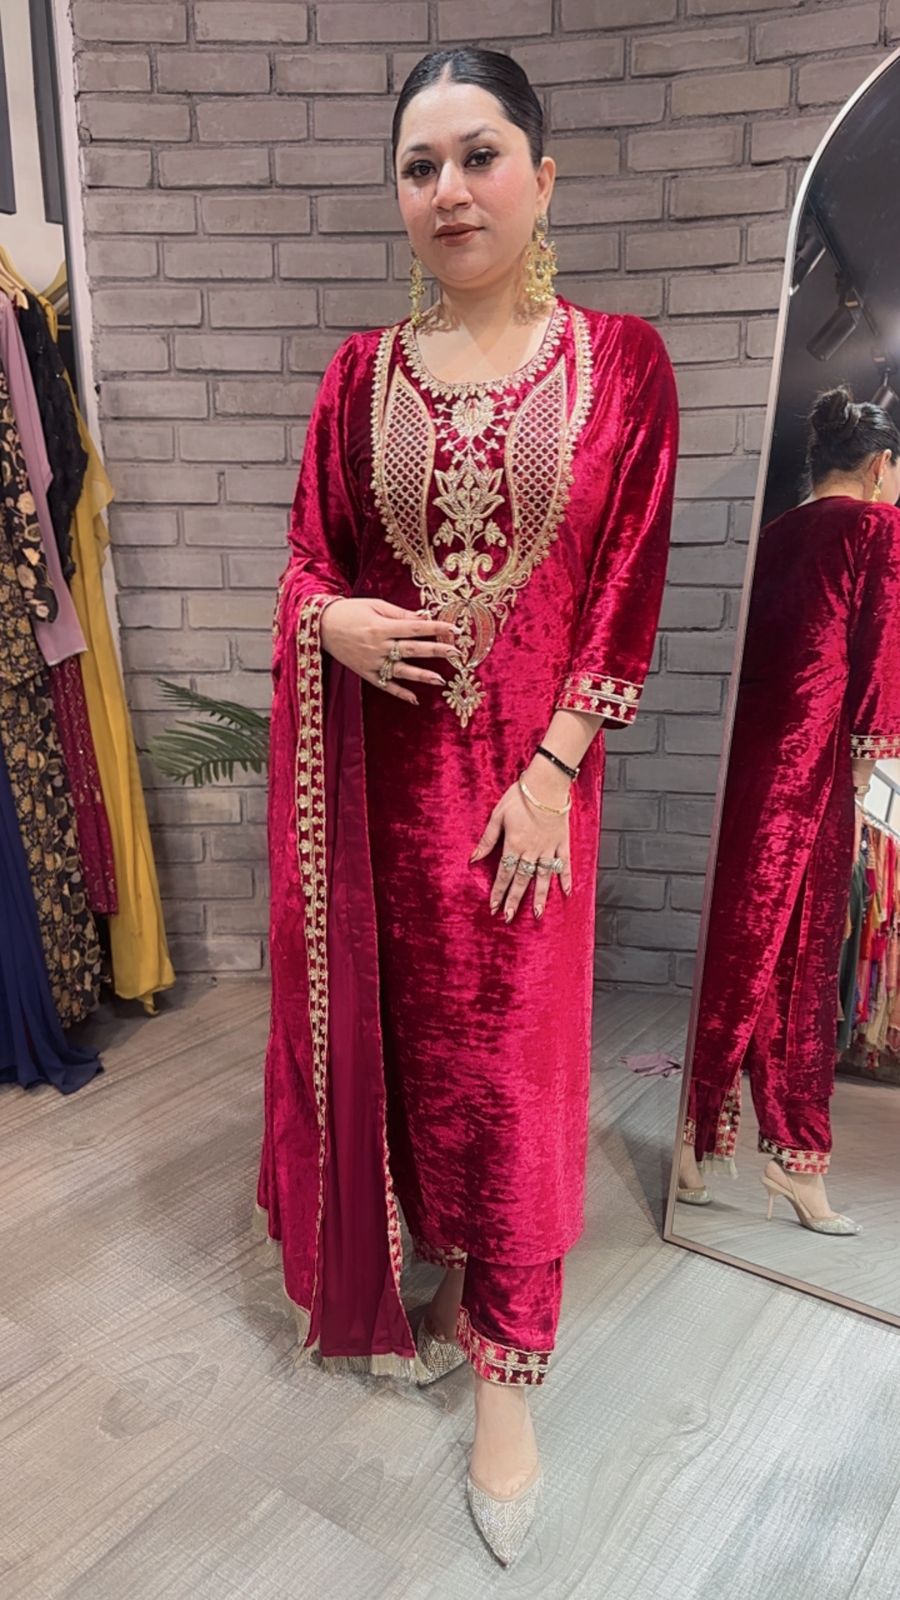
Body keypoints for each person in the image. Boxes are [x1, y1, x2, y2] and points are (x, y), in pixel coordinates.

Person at [255, 46, 678, 1567]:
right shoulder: (358, 379)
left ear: (542, 179)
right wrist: (334, 622)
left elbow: (622, 593)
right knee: (411, 1056)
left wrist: (555, 773)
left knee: (513, 1076)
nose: (451, 190)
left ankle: (509, 1372)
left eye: (481, 155)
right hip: (386, 800)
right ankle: (423, 1267)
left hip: (524, 805)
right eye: (421, 165)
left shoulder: (623, 365)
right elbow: (310, 561)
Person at [679, 387, 900, 1233]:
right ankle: (797, 1156)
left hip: (752, 765)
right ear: (879, 467)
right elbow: (880, 653)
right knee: (802, 968)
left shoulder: (772, 535)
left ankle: (696, 1137)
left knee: (739, 950)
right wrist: (870, 756)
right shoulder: (877, 528)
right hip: (814, 763)